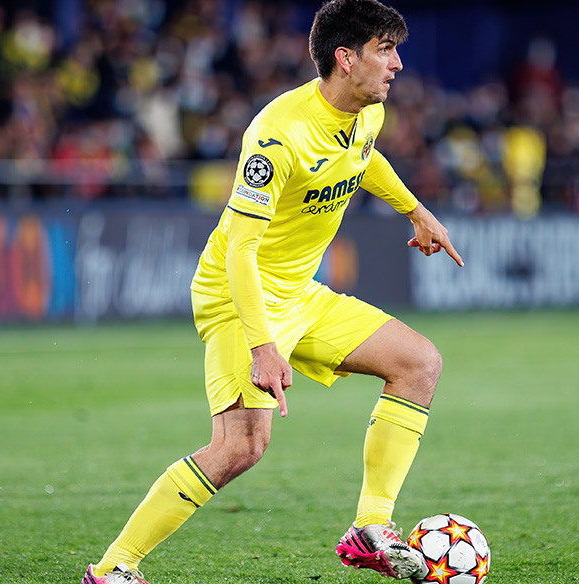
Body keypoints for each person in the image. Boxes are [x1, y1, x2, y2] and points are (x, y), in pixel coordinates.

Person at [81, 1, 463, 582]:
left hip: (299, 293)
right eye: (385, 49)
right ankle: (113, 568)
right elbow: (239, 249)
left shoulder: (367, 114)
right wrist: (262, 344)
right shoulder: (277, 135)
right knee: (240, 447)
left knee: (418, 362)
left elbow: (365, 159)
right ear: (345, 57)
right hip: (241, 296)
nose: (398, 64)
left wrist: (415, 210)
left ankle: (370, 527)